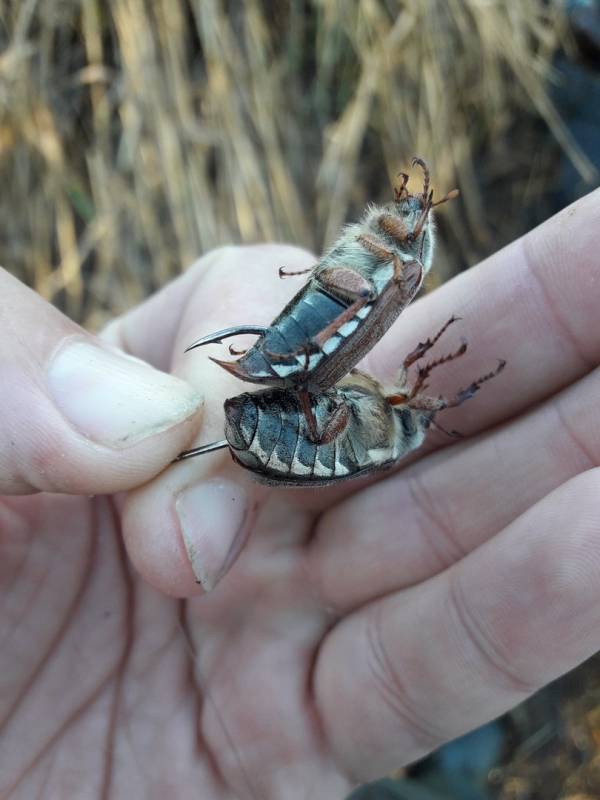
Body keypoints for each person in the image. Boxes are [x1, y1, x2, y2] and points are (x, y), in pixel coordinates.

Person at [1, 188, 599, 799]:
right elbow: (361, 384)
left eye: (422, 410)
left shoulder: (383, 439)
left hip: (286, 440)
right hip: (277, 428)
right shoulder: (385, 391)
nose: (419, 398)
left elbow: (335, 433)